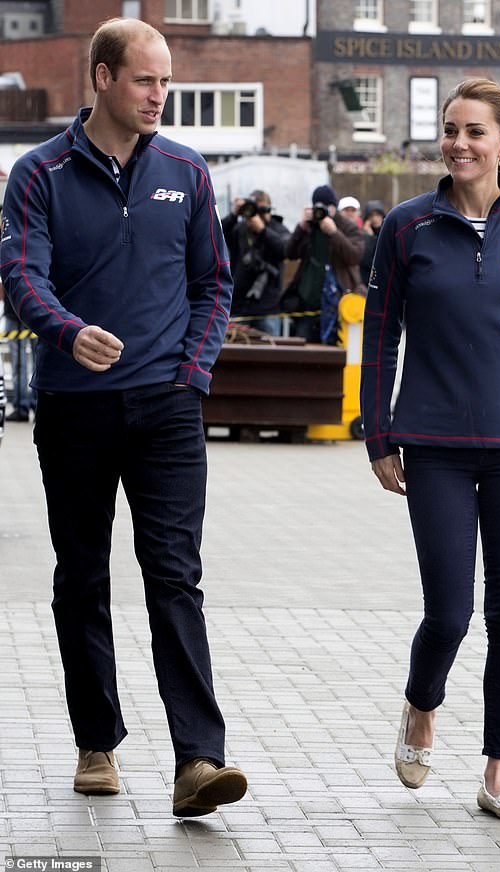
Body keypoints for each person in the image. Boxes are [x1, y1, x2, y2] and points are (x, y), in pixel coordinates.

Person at [0, 17, 248, 817]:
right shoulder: (37, 175)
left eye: (166, 81)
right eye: (146, 80)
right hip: (75, 407)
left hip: (169, 409)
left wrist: (193, 371)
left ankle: (199, 761)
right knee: (82, 579)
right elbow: (20, 277)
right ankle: (96, 741)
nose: (160, 96)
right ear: (102, 78)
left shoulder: (185, 169)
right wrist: (69, 333)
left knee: (175, 577)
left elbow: (214, 283)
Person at [360, 78, 500, 823]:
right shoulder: (408, 228)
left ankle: (498, 775)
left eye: (476, 132)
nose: (459, 143)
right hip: (436, 447)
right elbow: (379, 332)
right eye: (451, 129)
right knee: (449, 613)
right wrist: (377, 434)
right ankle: (422, 706)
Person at [284, 184, 364, 344]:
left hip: (338, 302)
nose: (323, 211)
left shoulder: (347, 226)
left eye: (328, 207)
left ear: (334, 207)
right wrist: (301, 228)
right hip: (308, 302)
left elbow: (354, 256)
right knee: (302, 349)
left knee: (336, 351)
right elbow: (289, 253)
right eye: (318, 207)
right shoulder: (310, 226)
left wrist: (334, 233)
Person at [221, 190, 290, 336]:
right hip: (239, 305)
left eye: (261, 209)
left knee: (270, 354)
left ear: (269, 209)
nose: (256, 215)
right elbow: (216, 234)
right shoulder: (240, 229)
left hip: (268, 307)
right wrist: (234, 214)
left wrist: (263, 230)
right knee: (235, 351)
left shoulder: (278, 228)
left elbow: (285, 250)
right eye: (253, 209)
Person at [0, 282, 37, 421]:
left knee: (22, 365)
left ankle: (22, 407)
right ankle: (31, 406)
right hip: (36, 310)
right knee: (35, 362)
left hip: (21, 312)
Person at [359, 199, 386, 287]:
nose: (374, 219)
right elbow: (366, 261)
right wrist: (369, 237)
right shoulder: (362, 235)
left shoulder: (387, 233)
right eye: (371, 216)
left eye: (377, 215)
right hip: (366, 282)